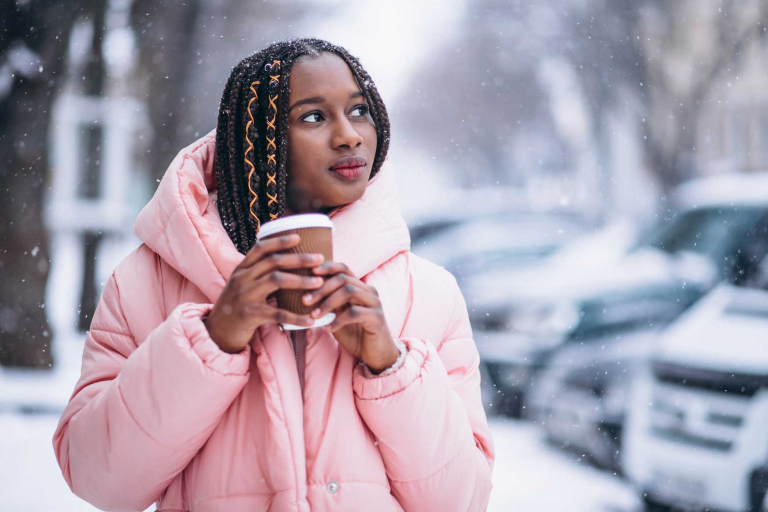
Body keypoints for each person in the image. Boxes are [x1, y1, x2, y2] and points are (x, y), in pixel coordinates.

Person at [53, 38, 494, 512]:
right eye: (313, 116)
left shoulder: (429, 294)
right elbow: (100, 480)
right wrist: (212, 338)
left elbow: (461, 502)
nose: (349, 136)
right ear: (261, 139)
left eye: (359, 110)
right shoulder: (147, 282)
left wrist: (391, 365)